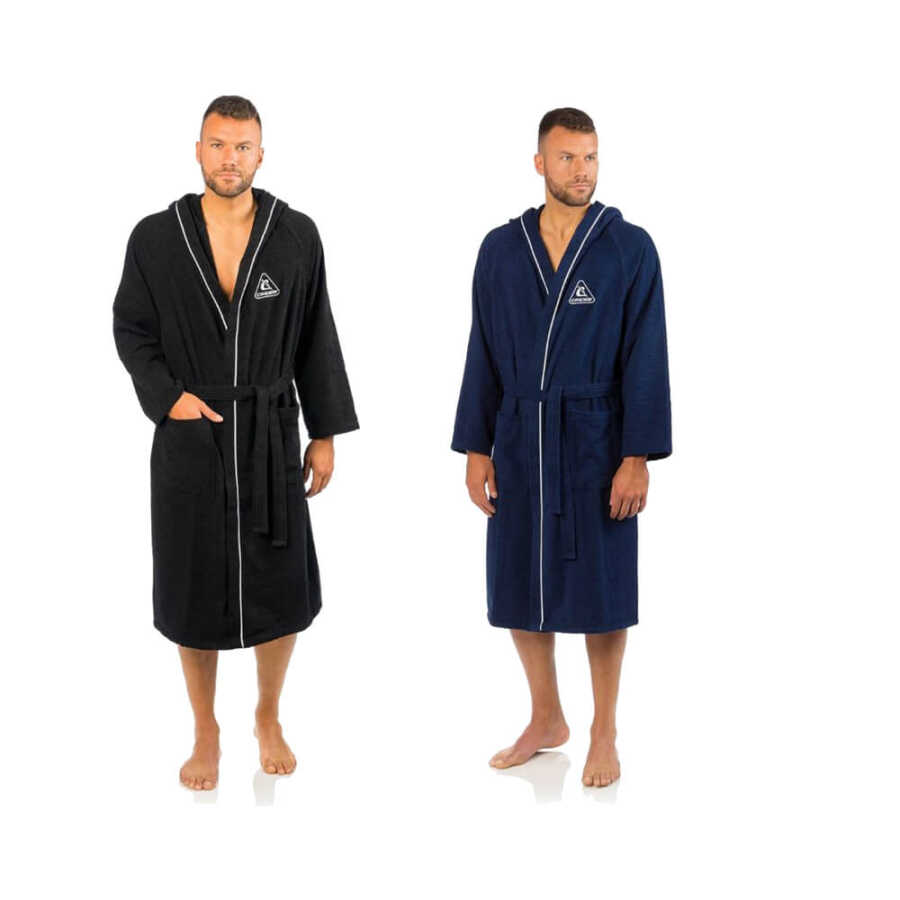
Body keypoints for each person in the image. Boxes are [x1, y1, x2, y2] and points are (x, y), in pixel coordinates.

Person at [112, 95, 359, 790]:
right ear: (198, 150)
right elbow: (131, 328)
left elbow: (316, 333)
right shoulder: (155, 238)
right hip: (189, 436)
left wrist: (324, 432)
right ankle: (205, 728)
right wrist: (169, 398)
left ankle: (268, 715)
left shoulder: (295, 235)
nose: (230, 158)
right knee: (192, 583)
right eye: (218, 145)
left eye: (242, 146)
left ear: (261, 154)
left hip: (270, 432)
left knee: (279, 581)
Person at [451, 107, 671, 787]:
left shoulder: (629, 248)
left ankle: (604, 729)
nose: (582, 171)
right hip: (520, 435)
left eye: (591, 157)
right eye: (568, 157)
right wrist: (476, 446)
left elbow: (647, 357)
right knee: (520, 577)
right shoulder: (500, 249)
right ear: (539, 162)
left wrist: (636, 456)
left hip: (596, 441)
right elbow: (483, 349)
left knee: (603, 587)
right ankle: (546, 717)